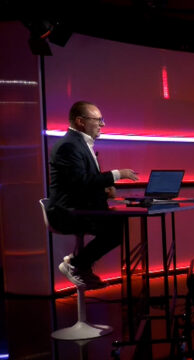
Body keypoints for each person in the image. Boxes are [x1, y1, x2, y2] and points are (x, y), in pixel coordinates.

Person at [47, 101, 139, 289]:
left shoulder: (77, 144)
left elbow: (80, 182)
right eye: (98, 120)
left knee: (115, 225)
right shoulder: (68, 146)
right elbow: (81, 182)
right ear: (80, 121)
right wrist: (117, 174)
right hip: (67, 213)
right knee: (114, 229)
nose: (102, 124)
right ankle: (76, 264)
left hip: (77, 207)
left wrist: (104, 190)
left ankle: (79, 264)